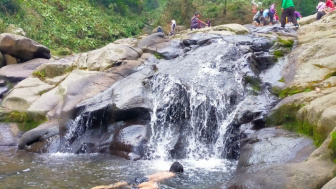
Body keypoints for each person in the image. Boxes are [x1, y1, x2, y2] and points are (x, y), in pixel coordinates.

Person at [91, 162, 184, 189]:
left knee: (113, 186)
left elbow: (155, 175)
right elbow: (157, 179)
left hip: (143, 177)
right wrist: (152, 184)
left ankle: (101, 187)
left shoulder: (163, 171)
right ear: (179, 171)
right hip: (148, 182)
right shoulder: (172, 175)